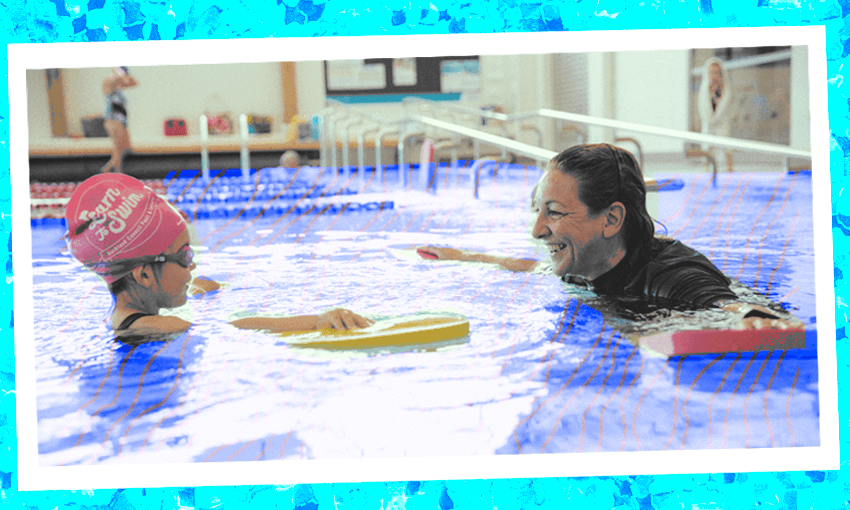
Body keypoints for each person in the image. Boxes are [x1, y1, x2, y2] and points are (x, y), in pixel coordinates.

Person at [417, 143, 801, 330]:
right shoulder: (584, 258)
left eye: (553, 211)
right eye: (537, 209)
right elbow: (531, 267)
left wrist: (754, 317)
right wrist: (461, 256)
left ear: (611, 219)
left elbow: (725, 303)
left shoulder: (670, 275)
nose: (536, 230)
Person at [65, 173, 373, 342]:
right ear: (144, 275)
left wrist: (193, 285)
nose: (193, 263)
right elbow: (238, 327)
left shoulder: (120, 318)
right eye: (185, 256)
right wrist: (318, 320)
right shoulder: (167, 326)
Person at [697, 57, 735, 173]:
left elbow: (726, 108)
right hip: (709, 123)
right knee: (708, 145)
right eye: (712, 72)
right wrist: (709, 119)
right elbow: (702, 108)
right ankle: (707, 166)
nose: (714, 75)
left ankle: (730, 167)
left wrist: (717, 115)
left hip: (722, 123)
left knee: (726, 144)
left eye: (717, 72)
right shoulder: (704, 90)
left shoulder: (725, 90)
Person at [101, 67, 137, 174]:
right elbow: (114, 79)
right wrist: (119, 72)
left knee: (126, 149)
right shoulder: (108, 85)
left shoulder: (119, 87)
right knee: (118, 150)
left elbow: (134, 82)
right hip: (113, 120)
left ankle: (107, 170)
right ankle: (113, 172)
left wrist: (125, 75)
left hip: (122, 122)